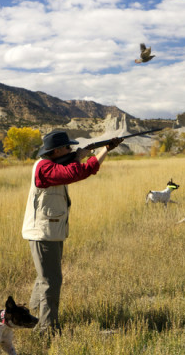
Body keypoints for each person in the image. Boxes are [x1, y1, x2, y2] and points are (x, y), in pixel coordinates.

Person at [21, 130, 120, 333]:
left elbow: (84, 171)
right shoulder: (45, 168)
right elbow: (75, 173)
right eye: (67, 147)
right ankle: (47, 329)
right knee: (51, 281)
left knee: (45, 278)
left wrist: (104, 150)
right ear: (56, 151)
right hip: (43, 233)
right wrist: (77, 157)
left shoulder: (54, 164)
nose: (71, 149)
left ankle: (31, 319)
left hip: (51, 232)